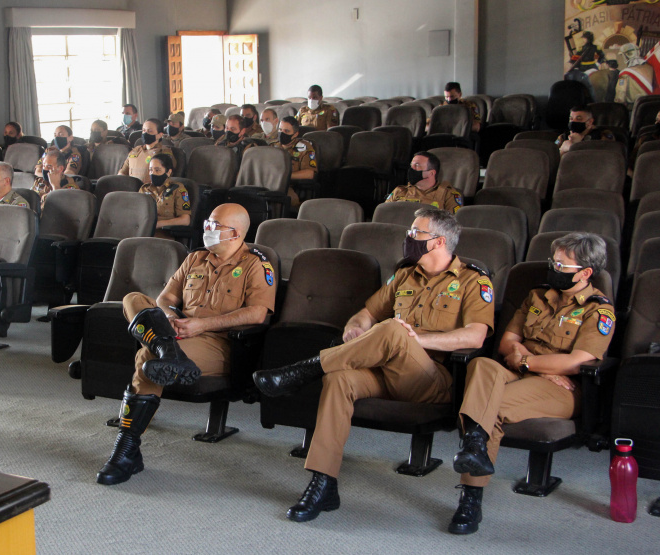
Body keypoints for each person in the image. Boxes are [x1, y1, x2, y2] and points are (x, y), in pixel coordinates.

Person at [253, 207, 493, 523]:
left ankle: (305, 369)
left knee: (394, 329)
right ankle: (323, 482)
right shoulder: (405, 275)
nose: (408, 238)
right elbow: (367, 313)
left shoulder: (472, 281)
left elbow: (476, 337)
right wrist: (355, 328)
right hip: (385, 372)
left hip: (430, 379)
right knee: (340, 378)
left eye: (416, 234)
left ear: (437, 242)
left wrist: (417, 340)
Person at [95, 203, 276, 486]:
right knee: (133, 298)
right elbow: (165, 298)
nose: (208, 230)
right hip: (176, 332)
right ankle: (167, 349)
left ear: (236, 233)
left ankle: (125, 451)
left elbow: (258, 314)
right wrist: (168, 316)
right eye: (207, 223)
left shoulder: (256, 264)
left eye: (215, 226)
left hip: (216, 343)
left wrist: (201, 325)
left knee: (146, 357)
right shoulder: (195, 259)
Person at [448, 232, 614, 535]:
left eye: (562, 265)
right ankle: (474, 446)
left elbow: (578, 361)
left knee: (488, 409)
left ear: (586, 273)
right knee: (482, 364)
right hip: (521, 372)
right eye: (554, 261)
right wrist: (529, 362)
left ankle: (470, 499)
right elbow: (506, 342)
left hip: (561, 389)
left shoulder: (598, 310)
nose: (553, 269)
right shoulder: (537, 295)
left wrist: (529, 362)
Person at [385, 151, 463, 213]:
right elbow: (383, 214)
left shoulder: (448, 195)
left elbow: (453, 226)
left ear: (431, 173)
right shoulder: (400, 191)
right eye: (411, 165)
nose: (411, 169)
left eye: (417, 165)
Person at [140, 153, 191, 239]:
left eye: (157, 170)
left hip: (163, 236)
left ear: (168, 172)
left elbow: (185, 220)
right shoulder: (144, 189)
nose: (153, 173)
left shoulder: (177, 189)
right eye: (150, 170)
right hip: (142, 233)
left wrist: (159, 224)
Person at [118, 118, 176, 185]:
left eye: (150, 131)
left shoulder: (164, 153)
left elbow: (165, 178)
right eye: (144, 130)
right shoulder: (135, 151)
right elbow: (122, 172)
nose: (145, 133)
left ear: (160, 135)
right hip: (130, 190)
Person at [275, 116, 317, 208]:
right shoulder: (272, 146)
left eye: (286, 131)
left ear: (295, 134)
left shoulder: (304, 147)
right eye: (280, 130)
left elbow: (309, 173)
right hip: (269, 183)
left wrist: (284, 176)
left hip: (288, 186)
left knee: (276, 199)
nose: (282, 134)